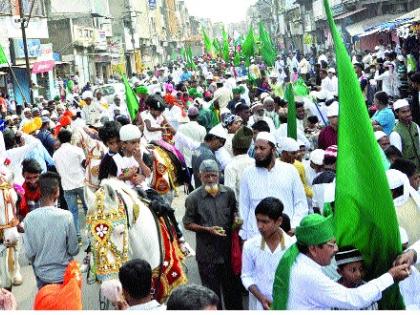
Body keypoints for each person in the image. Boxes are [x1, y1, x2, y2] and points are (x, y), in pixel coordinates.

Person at [272, 214, 410, 310]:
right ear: (313, 249)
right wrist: (391, 276)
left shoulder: (300, 261)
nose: (336, 249)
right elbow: (354, 299)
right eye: (331, 245)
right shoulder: (307, 274)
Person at [183, 159, 243, 310]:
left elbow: (235, 209)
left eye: (213, 176)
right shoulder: (193, 198)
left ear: (219, 175)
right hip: (207, 255)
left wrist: (236, 218)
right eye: (207, 176)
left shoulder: (228, 193)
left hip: (228, 252)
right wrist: (207, 230)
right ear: (199, 176)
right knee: (211, 295)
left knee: (233, 292)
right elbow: (187, 223)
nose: (210, 180)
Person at [239, 132, 308, 240]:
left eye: (262, 148)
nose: (257, 152)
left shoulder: (290, 170)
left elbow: (300, 203)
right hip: (256, 236)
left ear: (273, 150)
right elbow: (243, 206)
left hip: (286, 235)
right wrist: (244, 235)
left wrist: (294, 226)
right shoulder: (247, 173)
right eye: (256, 148)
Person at [22, 172, 79, 289]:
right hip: (65, 276)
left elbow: (29, 253)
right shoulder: (66, 216)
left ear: (39, 191)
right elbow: (74, 250)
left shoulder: (29, 218)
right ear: (57, 192)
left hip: (42, 277)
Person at [241, 197, 295, 310]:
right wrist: (261, 298)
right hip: (259, 306)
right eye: (258, 220)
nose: (260, 226)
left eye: (265, 222)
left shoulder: (293, 246)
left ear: (279, 221)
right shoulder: (250, 246)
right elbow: (246, 276)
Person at [53, 129, 88, 241]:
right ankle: (91, 232)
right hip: (81, 183)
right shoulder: (77, 150)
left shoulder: (56, 154)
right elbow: (85, 165)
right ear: (70, 138)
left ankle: (77, 235)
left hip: (67, 186)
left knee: (73, 212)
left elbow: (58, 171)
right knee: (87, 208)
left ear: (59, 139)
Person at [224, 126, 254, 199]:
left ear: (233, 148)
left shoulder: (231, 167)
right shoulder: (255, 163)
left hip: (240, 208)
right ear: (248, 148)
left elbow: (230, 194)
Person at [389, 99, 420, 170]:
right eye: (403, 112)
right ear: (397, 113)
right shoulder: (395, 133)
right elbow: (397, 159)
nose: (408, 114)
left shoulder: (415, 126)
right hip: (409, 171)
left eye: (408, 110)